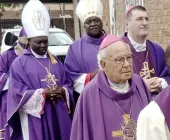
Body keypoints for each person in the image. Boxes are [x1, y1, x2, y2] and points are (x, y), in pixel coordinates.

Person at [5, 0, 73, 139]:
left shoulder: (55, 61)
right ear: (29, 41)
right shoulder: (19, 63)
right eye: (38, 42)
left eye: (45, 41)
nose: (43, 45)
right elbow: (16, 93)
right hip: (35, 119)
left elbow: (68, 84)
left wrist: (63, 91)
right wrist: (42, 94)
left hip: (58, 114)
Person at [70, 34, 151, 140]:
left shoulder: (139, 84)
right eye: (119, 59)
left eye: (129, 57)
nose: (127, 64)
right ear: (103, 65)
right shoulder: (90, 94)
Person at [122, 5, 170, 95]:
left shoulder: (157, 50)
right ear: (127, 24)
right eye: (139, 19)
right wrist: (140, 86)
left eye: (146, 19)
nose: (144, 23)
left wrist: (161, 83)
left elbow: (169, 76)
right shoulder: (118, 50)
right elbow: (113, 83)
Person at [64, 0, 106, 99]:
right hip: (89, 98)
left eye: (96, 20)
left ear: (101, 22)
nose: (93, 24)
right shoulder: (74, 48)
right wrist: (92, 76)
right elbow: (71, 77)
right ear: (84, 25)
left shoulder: (114, 43)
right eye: (89, 22)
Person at [0, 28, 27, 139]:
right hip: (10, 96)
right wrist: (13, 81)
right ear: (18, 43)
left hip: (28, 96)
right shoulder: (6, 56)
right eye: (24, 46)